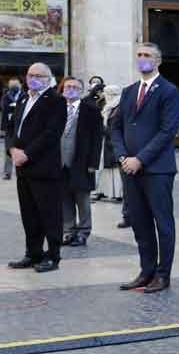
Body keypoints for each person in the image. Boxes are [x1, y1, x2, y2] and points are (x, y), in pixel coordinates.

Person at [110, 43, 179, 293]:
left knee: (163, 223)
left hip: (157, 169)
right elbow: (116, 126)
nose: (142, 59)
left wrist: (140, 158)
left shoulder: (169, 91)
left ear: (157, 61)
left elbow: (167, 131)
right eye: (139, 55)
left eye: (147, 55)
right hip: (130, 169)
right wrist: (122, 156)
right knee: (140, 223)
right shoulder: (129, 91)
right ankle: (146, 271)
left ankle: (163, 275)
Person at [6, 63, 66, 273]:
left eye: (38, 75)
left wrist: (27, 153)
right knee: (29, 214)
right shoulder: (23, 97)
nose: (33, 78)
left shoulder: (56, 101)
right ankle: (33, 253)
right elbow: (12, 126)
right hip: (22, 167)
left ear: (48, 78)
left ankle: (53, 256)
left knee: (49, 214)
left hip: (44, 167)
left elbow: (51, 134)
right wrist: (12, 149)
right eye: (30, 75)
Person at [59, 77, 103, 248]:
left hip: (82, 162)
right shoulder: (56, 107)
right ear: (62, 89)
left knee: (82, 199)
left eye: (75, 87)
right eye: (68, 86)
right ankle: (68, 231)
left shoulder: (90, 109)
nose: (71, 89)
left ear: (81, 90)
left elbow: (97, 138)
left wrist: (93, 163)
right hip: (59, 163)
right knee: (64, 198)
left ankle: (83, 232)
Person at [98, 85, 126, 207]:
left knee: (116, 170)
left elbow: (114, 126)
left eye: (107, 93)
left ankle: (118, 195)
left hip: (113, 142)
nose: (105, 96)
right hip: (108, 142)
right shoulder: (110, 106)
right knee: (110, 170)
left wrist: (103, 130)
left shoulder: (118, 106)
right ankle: (112, 193)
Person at [1, 78, 21, 180]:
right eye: (12, 85)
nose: (14, 87)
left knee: (22, 149)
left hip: (21, 127)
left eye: (15, 85)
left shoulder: (24, 96)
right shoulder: (6, 97)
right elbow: (4, 111)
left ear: (19, 85)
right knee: (8, 150)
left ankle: (21, 171)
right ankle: (7, 172)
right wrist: (2, 128)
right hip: (9, 127)